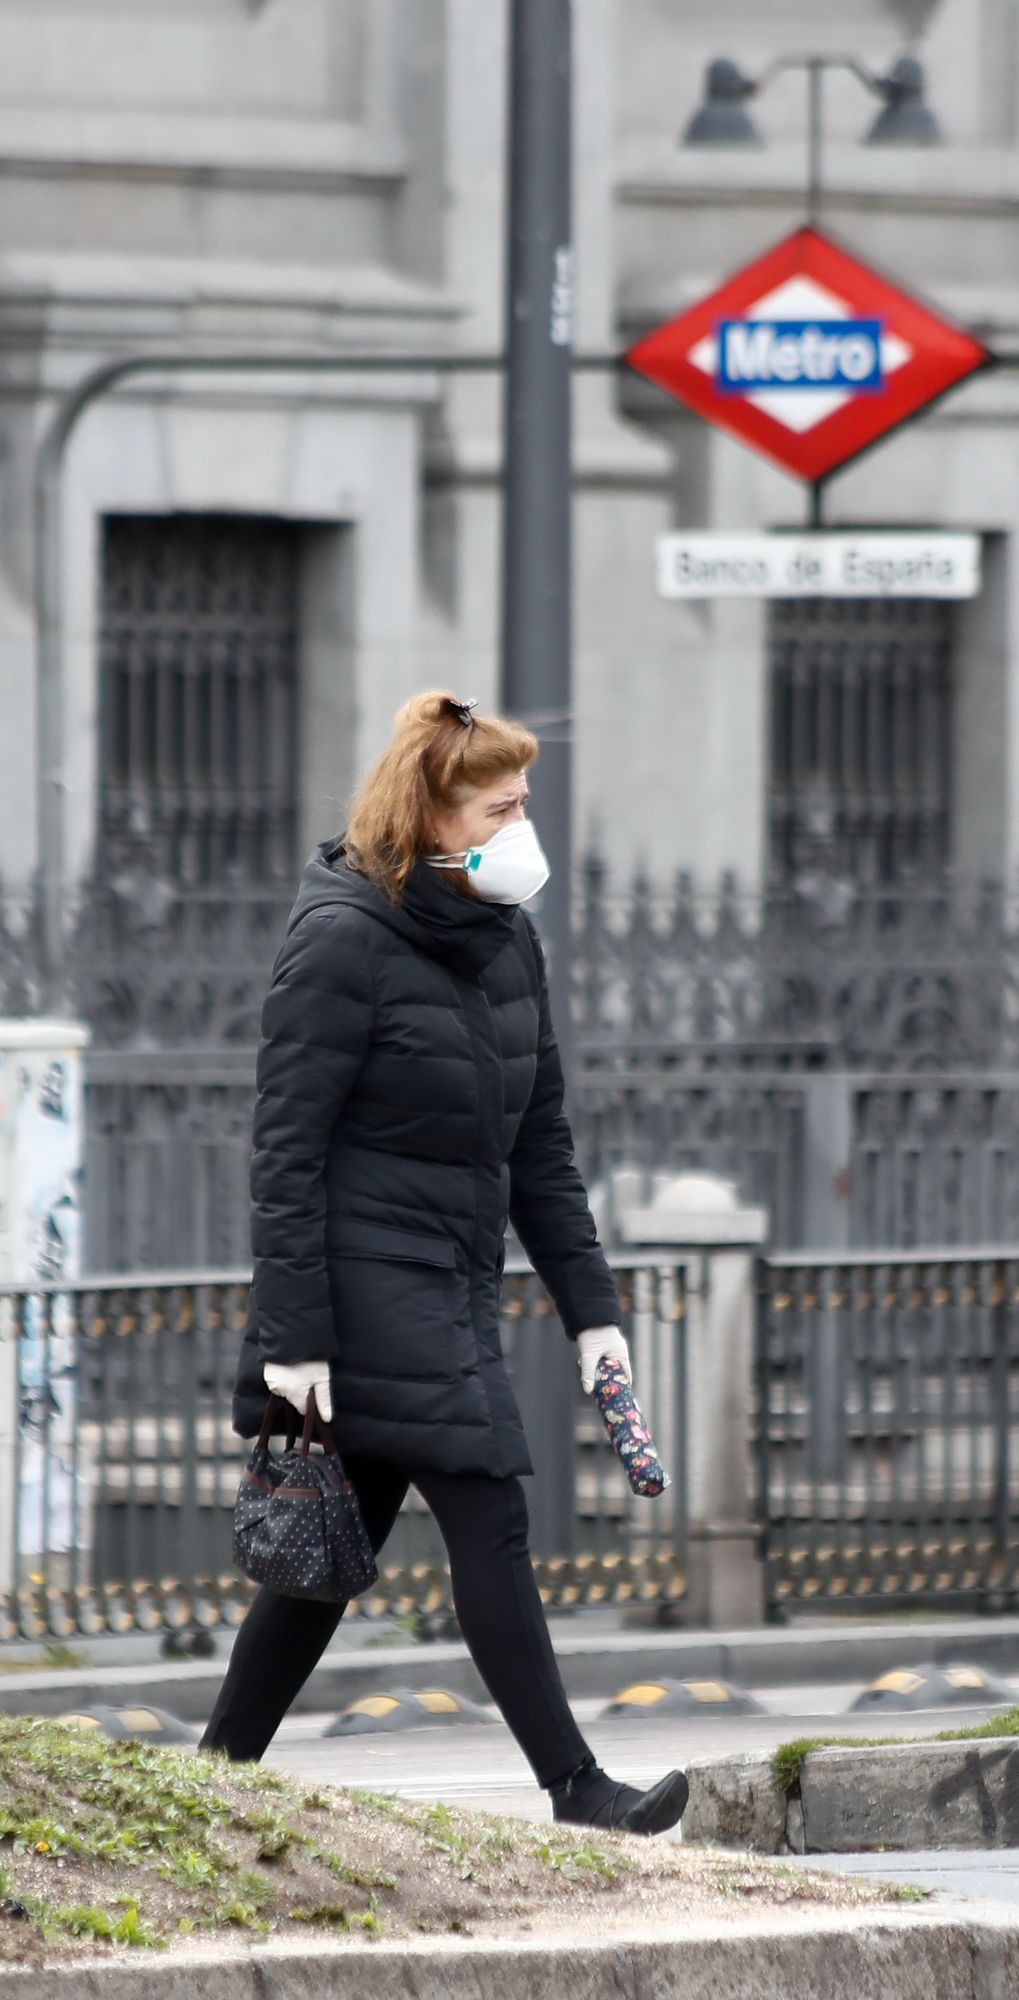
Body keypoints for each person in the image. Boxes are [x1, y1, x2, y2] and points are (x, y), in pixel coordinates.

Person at [198, 690, 689, 1835]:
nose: (525, 825)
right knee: (490, 1511)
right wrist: (295, 1341)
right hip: (365, 1288)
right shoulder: (340, 940)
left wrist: (594, 1314)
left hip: (449, 1281)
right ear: (433, 813)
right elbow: (285, 1155)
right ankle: (577, 1786)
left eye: (526, 801)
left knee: (326, 1553)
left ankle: (212, 1774)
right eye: (503, 804)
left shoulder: (503, 939)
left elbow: (543, 1149)